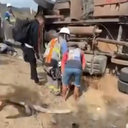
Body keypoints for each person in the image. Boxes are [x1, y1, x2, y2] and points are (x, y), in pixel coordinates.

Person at [43, 27, 70, 95]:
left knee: (49, 74)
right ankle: (56, 91)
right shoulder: (63, 42)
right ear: (65, 35)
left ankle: (51, 89)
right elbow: (65, 56)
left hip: (45, 60)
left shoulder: (53, 40)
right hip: (52, 62)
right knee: (56, 76)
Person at [22, 13, 44, 85]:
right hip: (29, 46)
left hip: (25, 45)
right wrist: (37, 52)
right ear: (41, 20)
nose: (43, 24)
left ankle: (32, 76)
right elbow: (36, 40)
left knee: (32, 62)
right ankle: (36, 79)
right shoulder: (36, 26)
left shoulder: (32, 23)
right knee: (33, 62)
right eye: (43, 22)